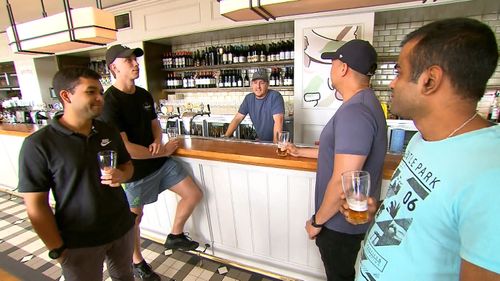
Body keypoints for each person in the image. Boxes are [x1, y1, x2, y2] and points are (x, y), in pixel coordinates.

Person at [351, 18, 500, 281]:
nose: (391, 83)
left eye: (399, 72)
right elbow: (430, 209)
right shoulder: (424, 138)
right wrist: (381, 209)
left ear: (430, 80)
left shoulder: (490, 173)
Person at [18, 68, 136, 281]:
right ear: (66, 96)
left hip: (122, 229)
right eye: (91, 92)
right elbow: (36, 206)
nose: (100, 97)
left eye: (100, 91)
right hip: (80, 240)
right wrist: (58, 249)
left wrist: (122, 175)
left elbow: (128, 167)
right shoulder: (39, 144)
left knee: (125, 276)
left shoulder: (107, 131)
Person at [286, 39, 387, 281]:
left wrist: (316, 221)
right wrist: (301, 151)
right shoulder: (364, 103)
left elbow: (346, 180)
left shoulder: (356, 112)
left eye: (333, 63)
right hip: (343, 223)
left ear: (343, 68)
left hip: (338, 225)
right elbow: (342, 155)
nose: (331, 69)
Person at [101, 44, 203, 281]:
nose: (135, 63)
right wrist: (162, 151)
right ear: (113, 67)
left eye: (135, 59)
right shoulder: (110, 102)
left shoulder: (143, 94)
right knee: (134, 221)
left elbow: (154, 123)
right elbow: (127, 149)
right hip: (133, 172)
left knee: (193, 194)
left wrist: (158, 141)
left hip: (160, 164)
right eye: (128, 61)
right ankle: (137, 262)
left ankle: (175, 234)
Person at [224, 68, 285, 142]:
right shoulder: (249, 98)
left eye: (261, 83)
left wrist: (275, 146)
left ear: (267, 84)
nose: (258, 86)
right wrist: (226, 137)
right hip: (263, 141)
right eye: (255, 83)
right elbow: (237, 119)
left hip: (280, 142)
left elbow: (278, 121)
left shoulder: (275, 96)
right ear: (251, 84)